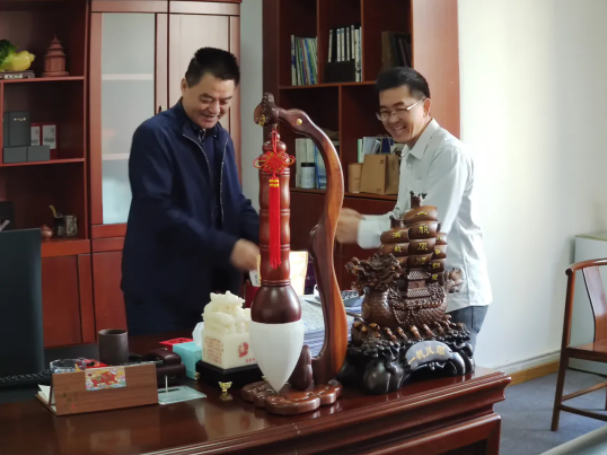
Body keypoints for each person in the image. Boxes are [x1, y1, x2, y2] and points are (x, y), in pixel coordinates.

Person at [336, 67, 492, 350]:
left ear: (425, 106)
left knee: (450, 376)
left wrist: (360, 230)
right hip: (421, 294)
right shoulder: (409, 152)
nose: (392, 119)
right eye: (385, 112)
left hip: (456, 296)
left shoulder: (448, 154)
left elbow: (427, 230)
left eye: (400, 109)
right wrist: (362, 220)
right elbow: (402, 217)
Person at [122, 47, 260, 336]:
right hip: (163, 293)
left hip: (217, 293)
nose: (215, 109)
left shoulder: (222, 138)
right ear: (184, 85)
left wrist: (270, 238)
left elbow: (234, 202)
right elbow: (158, 212)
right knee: (164, 365)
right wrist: (229, 248)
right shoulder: (154, 135)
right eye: (206, 99)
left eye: (225, 101)